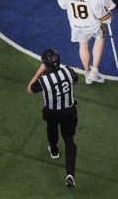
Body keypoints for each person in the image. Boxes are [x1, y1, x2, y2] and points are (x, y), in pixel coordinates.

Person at [27, 48, 79, 189]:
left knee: (52, 128)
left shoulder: (43, 80)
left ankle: (54, 150)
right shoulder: (68, 70)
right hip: (69, 110)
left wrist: (39, 71)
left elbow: (29, 90)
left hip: (52, 112)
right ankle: (70, 174)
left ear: (45, 64)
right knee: (69, 140)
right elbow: (75, 81)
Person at [58, 0, 112, 84]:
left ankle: (87, 72)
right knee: (100, 38)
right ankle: (94, 72)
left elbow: (62, 5)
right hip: (93, 24)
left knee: (83, 45)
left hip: (76, 24)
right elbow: (99, 12)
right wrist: (108, 17)